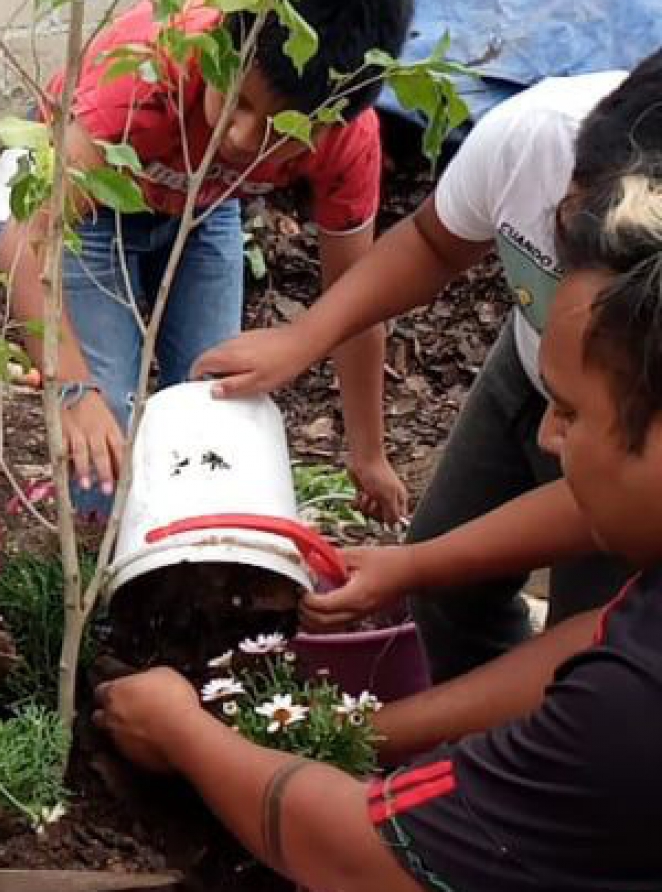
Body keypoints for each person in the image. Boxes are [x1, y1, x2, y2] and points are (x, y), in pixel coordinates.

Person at [96, 161, 662, 891]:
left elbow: (368, 858)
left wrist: (185, 733)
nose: (547, 438)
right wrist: (373, 721)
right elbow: (597, 643)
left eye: (574, 411)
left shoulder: (627, 717)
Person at [194, 53, 662, 681]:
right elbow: (432, 241)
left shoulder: (635, 464)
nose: (568, 244)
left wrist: (389, 737)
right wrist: (305, 337)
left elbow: (595, 642)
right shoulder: (535, 138)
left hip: (619, 430)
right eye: (569, 218)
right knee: (447, 574)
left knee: (597, 641)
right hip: (529, 367)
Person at [0, 0, 414, 522]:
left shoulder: (347, 141)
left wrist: (369, 454)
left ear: (329, 125)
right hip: (89, 217)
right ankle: (100, 570)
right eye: (236, 101)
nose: (240, 137)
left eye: (276, 132)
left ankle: (188, 559)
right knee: (106, 436)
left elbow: (355, 302)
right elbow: (25, 241)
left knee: (215, 406)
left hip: (205, 210)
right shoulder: (147, 77)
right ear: (220, 48)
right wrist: (75, 389)